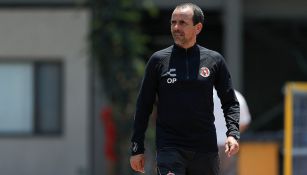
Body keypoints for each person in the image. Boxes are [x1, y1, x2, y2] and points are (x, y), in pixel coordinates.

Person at [130, 3, 240, 175]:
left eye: (182, 23)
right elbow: (143, 105)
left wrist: (233, 134)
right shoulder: (158, 61)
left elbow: (230, 102)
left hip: (205, 149)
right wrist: (137, 147)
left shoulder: (214, 60)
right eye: (173, 22)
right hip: (170, 148)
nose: (176, 27)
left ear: (198, 28)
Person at [214, 88, 251, 175]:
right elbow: (245, 122)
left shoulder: (204, 94)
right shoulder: (236, 96)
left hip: (209, 144)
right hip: (230, 145)